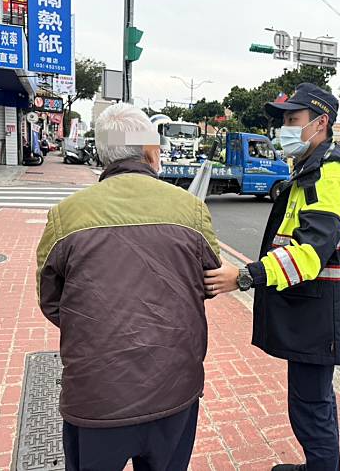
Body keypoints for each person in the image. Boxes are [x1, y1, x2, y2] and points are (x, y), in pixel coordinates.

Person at [36, 103, 221, 471]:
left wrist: (98, 324)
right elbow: (208, 284)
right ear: (150, 150)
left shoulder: (66, 214)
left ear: (103, 154)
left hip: (95, 398)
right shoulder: (190, 209)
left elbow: (51, 301)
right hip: (174, 389)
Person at [204, 83, 340, 471]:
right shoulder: (312, 165)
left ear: (321, 123)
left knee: (310, 406)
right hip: (319, 309)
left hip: (324, 314)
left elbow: (309, 254)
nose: (284, 127)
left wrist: (244, 277)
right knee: (314, 399)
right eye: (283, 119)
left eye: (293, 119)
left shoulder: (329, 174)